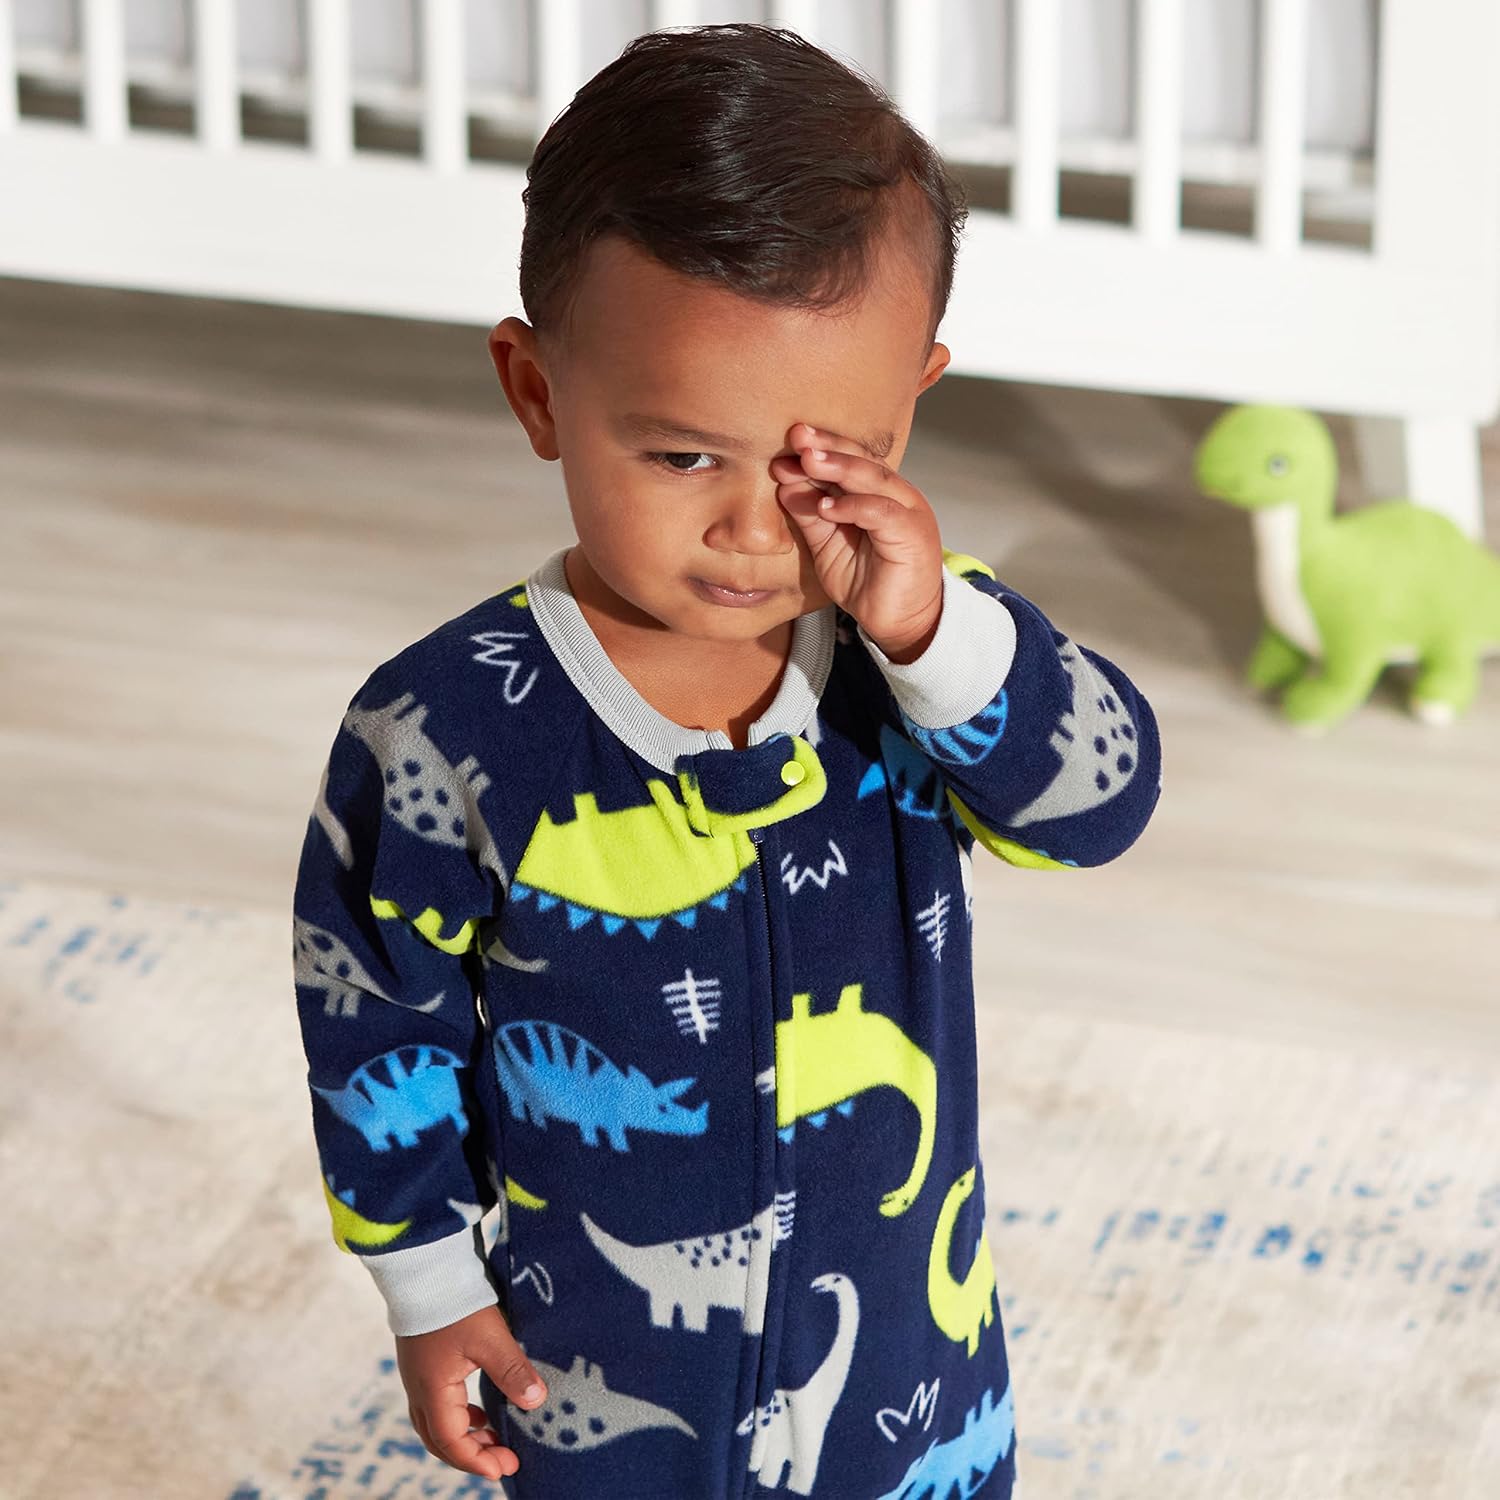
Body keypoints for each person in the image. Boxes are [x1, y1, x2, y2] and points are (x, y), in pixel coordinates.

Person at [291, 22, 1162, 1498]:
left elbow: (1096, 809)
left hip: (907, 1360)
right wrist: (428, 1284)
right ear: (538, 393)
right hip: (600, 1361)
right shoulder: (441, 725)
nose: (756, 531)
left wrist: (937, 635)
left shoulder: (924, 650)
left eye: (825, 461)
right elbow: (374, 1015)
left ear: (915, 398)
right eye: (683, 455)